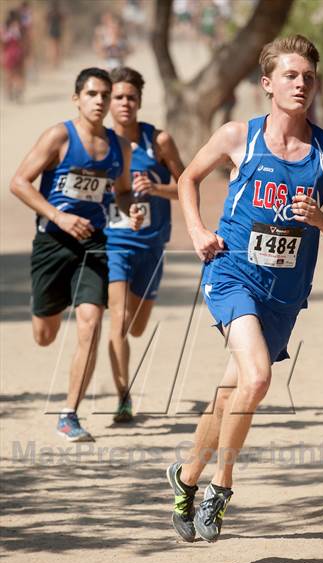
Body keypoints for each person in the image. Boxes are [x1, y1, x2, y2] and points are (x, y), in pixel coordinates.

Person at [166, 34, 323, 543]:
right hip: (233, 274)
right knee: (258, 379)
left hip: (285, 292)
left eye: (309, 77)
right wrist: (200, 232)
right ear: (268, 84)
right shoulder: (237, 136)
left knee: (230, 395)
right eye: (291, 76)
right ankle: (220, 490)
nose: (301, 85)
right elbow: (187, 178)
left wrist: (319, 217)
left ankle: (184, 479)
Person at [10, 67, 143, 442]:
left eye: (105, 95)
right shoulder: (59, 137)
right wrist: (58, 216)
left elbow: (120, 193)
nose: (100, 101)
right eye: (92, 94)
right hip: (53, 242)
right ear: (77, 99)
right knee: (45, 335)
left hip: (95, 244)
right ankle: (47, 306)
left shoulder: (121, 147)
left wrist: (129, 212)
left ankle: (69, 414)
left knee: (90, 322)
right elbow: (19, 182)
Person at [104, 67, 184, 422]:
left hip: (151, 244)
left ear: (139, 101)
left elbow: (186, 186)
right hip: (114, 241)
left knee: (136, 326)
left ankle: (124, 389)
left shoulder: (159, 141)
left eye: (130, 97)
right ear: (108, 102)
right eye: (117, 97)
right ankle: (123, 396)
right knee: (118, 320)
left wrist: (156, 188)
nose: (124, 103)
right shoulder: (98, 143)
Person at [1, 10, 25, 102]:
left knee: (9, 74)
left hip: (8, 53)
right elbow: (22, 41)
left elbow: (2, 43)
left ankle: (9, 92)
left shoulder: (4, 28)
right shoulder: (19, 27)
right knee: (18, 74)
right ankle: (18, 91)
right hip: (18, 52)